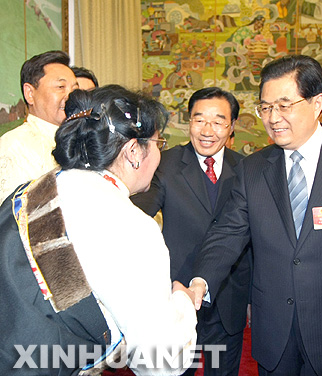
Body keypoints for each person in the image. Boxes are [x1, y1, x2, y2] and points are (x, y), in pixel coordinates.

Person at [190, 55, 322, 376]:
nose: (273, 118)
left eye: (284, 105)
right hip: (273, 324)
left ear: (317, 103)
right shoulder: (253, 168)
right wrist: (200, 282)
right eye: (266, 107)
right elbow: (227, 234)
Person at [0, 85, 197, 375]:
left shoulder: (33, 189)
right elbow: (160, 361)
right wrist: (183, 303)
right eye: (158, 143)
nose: (159, 154)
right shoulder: (131, 226)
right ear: (133, 152)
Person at [132, 87, 251, 376]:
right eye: (199, 119)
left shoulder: (247, 168)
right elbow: (137, 215)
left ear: (232, 126)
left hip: (229, 296)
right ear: (188, 122)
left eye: (218, 121)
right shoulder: (165, 163)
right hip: (177, 294)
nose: (207, 130)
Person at [0, 50, 78, 204]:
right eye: (61, 87)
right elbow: (13, 217)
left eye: (75, 90)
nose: (71, 97)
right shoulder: (13, 146)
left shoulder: (84, 139)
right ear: (30, 93)